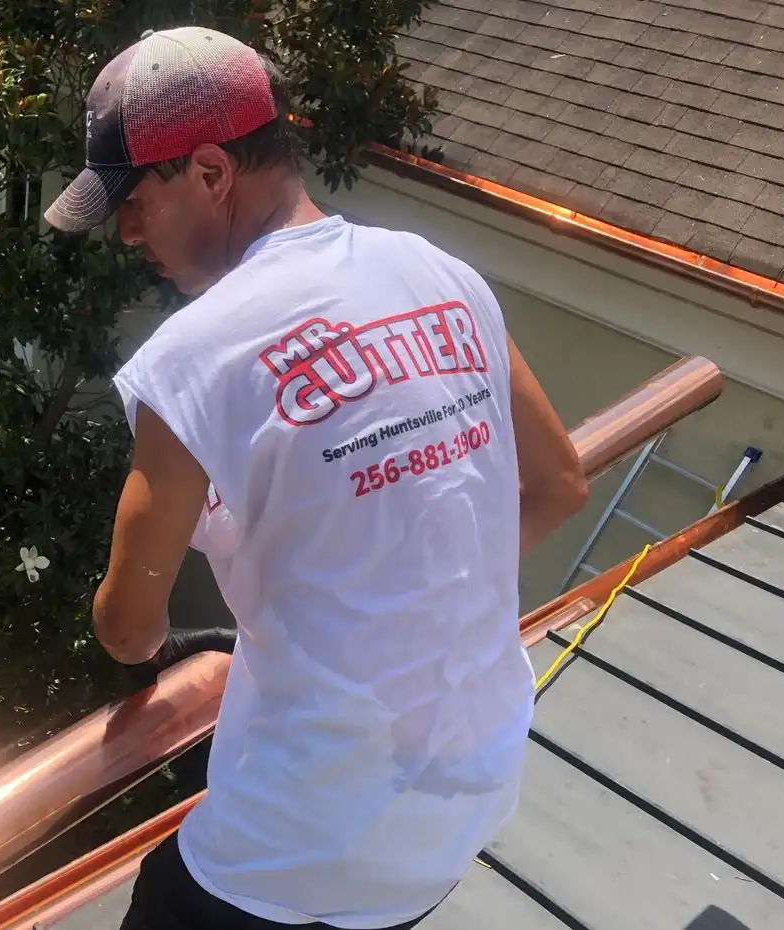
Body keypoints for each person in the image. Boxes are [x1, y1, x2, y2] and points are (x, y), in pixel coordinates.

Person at [44, 25, 589, 930]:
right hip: (464, 800)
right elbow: (560, 485)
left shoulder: (193, 360)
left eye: (134, 200)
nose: (127, 233)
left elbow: (128, 627)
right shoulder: (440, 273)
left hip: (307, 844)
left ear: (212, 173)